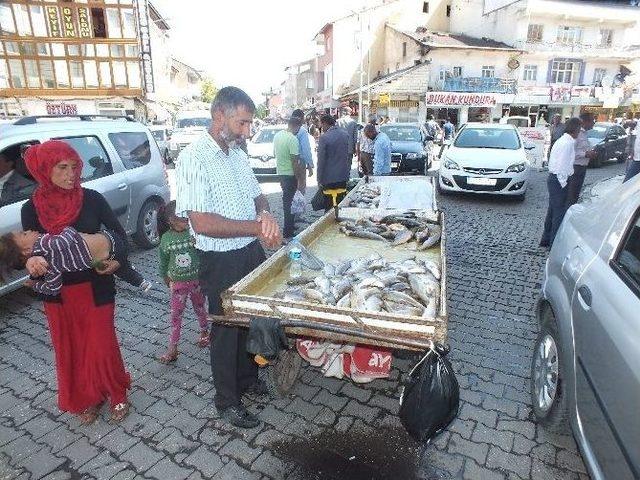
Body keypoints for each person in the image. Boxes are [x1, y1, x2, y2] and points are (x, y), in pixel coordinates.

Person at [175, 86, 281, 429]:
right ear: (219, 115)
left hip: (248, 250)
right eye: (242, 122)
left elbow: (257, 196)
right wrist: (255, 227)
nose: (247, 131)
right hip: (219, 260)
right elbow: (201, 223)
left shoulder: (236, 153)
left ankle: (248, 380)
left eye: (250, 124)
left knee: (251, 320)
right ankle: (227, 401)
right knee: (225, 330)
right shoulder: (193, 157)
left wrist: (265, 216)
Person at [20, 140, 131, 424]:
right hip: (57, 293)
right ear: (45, 170)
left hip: (96, 286)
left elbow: (119, 237)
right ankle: (87, 396)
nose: (71, 174)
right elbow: (33, 249)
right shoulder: (30, 209)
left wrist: (117, 261)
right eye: (62, 167)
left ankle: (116, 392)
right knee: (72, 347)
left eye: (75, 167)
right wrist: (31, 262)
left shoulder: (92, 199)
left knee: (102, 344)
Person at [0, 225, 143, 296]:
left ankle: (140, 281)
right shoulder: (43, 242)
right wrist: (68, 228)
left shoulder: (48, 266)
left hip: (102, 256)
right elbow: (63, 241)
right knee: (123, 269)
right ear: (26, 251)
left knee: (122, 270)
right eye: (24, 234)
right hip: (110, 240)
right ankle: (139, 280)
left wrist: (35, 285)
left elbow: (54, 289)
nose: (29, 230)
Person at [157, 201, 209, 364]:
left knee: (200, 308)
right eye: (183, 219)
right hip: (178, 284)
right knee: (175, 315)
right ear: (171, 221)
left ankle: (205, 332)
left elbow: (203, 252)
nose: (187, 222)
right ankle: (173, 348)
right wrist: (166, 278)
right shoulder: (166, 239)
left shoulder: (193, 233)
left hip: (196, 281)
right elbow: (163, 262)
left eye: (187, 218)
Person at [540, 117, 582, 248]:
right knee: (559, 213)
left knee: (552, 211)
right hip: (559, 180)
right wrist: (564, 183)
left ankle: (546, 240)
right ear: (576, 129)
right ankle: (554, 244)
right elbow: (562, 166)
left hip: (555, 179)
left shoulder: (562, 140)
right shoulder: (568, 143)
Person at [273, 117, 305, 239]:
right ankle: (288, 231)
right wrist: (299, 178)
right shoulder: (292, 139)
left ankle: (290, 226)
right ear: (296, 126)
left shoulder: (278, 136)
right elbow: (294, 161)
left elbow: (275, 154)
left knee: (287, 201)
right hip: (290, 175)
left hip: (281, 173)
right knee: (290, 204)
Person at [317, 114, 351, 210]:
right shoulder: (345, 134)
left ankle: (330, 221)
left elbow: (321, 161)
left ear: (325, 123)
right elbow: (348, 155)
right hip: (343, 175)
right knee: (341, 202)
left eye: (321, 125)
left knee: (328, 204)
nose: (321, 127)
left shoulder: (324, 138)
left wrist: (319, 179)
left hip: (328, 177)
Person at [566, 113, 597, 207]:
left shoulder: (584, 134)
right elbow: (571, 153)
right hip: (575, 167)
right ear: (586, 122)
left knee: (575, 194)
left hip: (581, 168)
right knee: (571, 195)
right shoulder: (577, 134)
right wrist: (586, 154)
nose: (593, 123)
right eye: (592, 121)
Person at [291, 109, 314, 192]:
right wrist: (310, 165)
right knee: (301, 185)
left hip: (288, 161)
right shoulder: (302, 131)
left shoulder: (285, 130)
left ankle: (290, 203)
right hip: (299, 161)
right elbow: (306, 149)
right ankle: (298, 203)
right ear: (300, 118)